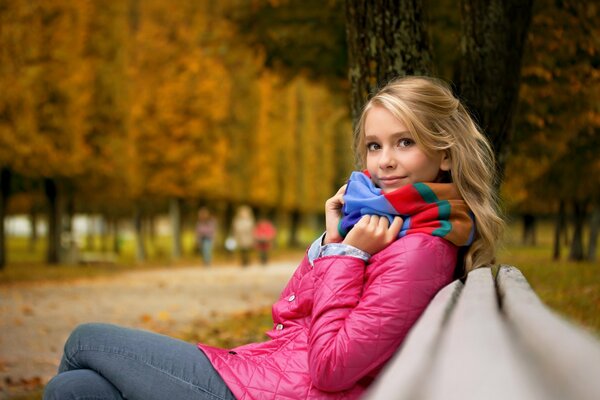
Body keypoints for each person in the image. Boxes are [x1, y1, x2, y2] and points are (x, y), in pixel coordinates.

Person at [43, 76, 503, 400]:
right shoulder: (396, 228)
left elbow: (331, 368)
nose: (383, 161)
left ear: (443, 154)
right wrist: (332, 240)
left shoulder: (421, 248)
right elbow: (287, 311)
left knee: (87, 341)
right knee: (73, 390)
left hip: (278, 390)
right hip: (268, 376)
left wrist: (346, 256)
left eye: (405, 142)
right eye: (374, 145)